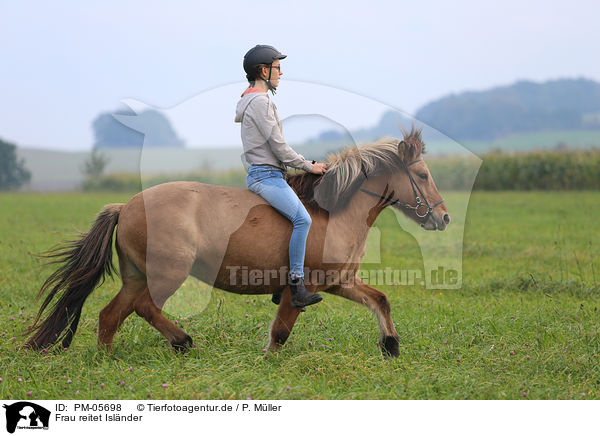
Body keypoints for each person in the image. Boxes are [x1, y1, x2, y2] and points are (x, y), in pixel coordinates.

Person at [234, 44, 326, 308]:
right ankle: (296, 285)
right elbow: (280, 148)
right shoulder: (260, 102)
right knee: (303, 220)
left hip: (269, 174)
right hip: (267, 176)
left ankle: (281, 282)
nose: (281, 73)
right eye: (277, 67)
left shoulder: (253, 100)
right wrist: (309, 166)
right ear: (264, 71)